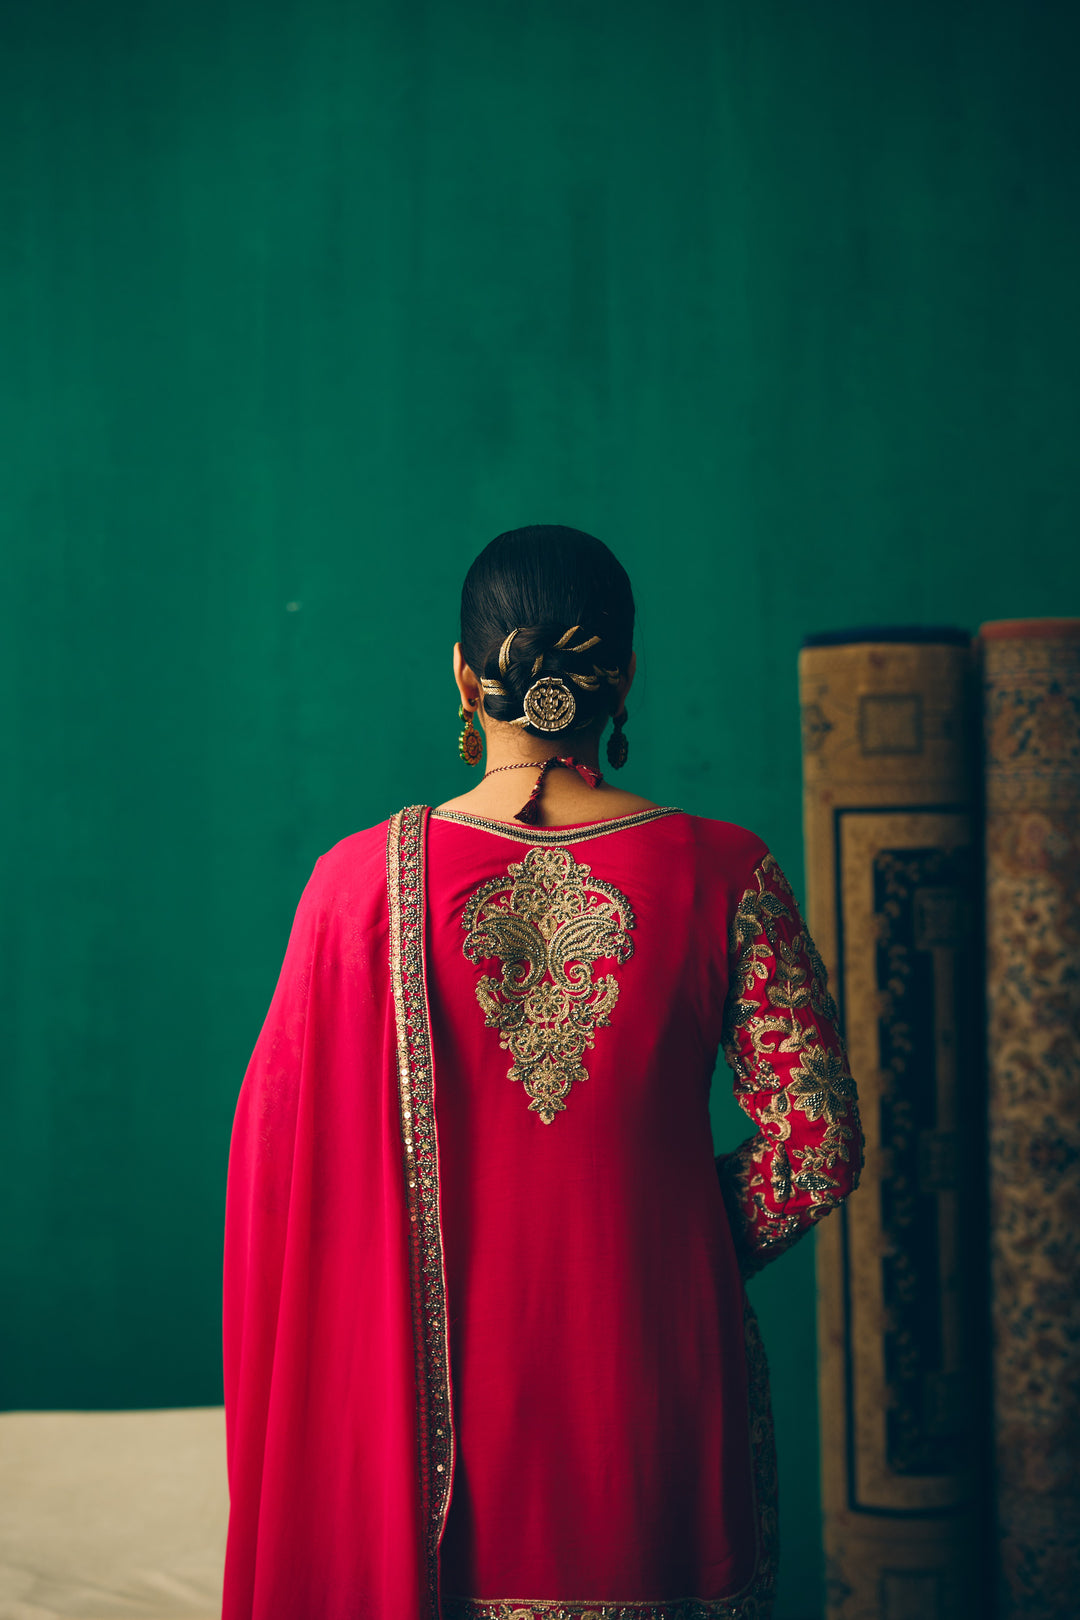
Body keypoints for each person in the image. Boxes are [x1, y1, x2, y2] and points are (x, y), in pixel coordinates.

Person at [221, 525, 864, 1620]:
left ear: (463, 676)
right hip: (655, 1384)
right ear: (626, 676)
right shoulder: (726, 870)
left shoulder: (357, 886)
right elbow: (818, 1150)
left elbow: (285, 1186)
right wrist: (671, 1235)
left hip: (430, 1406)